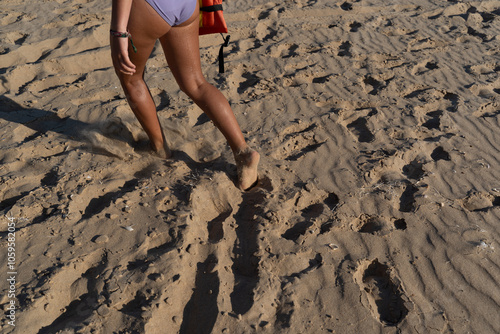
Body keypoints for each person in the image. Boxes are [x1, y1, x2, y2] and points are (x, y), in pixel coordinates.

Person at [110, 0, 259, 190]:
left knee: (131, 79)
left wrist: (118, 31)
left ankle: (159, 148)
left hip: (148, 7)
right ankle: (243, 152)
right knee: (196, 83)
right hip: (186, 5)